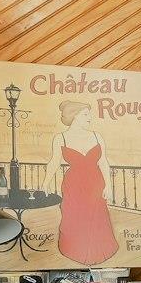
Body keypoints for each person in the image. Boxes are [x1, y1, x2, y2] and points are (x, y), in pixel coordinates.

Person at [48, 101, 118, 264]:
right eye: (85, 114)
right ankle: (75, 250)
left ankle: (98, 250)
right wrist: (46, 182)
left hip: (95, 183)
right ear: (75, 116)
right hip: (73, 184)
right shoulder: (61, 138)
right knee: (75, 215)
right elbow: (54, 162)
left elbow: (104, 162)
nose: (90, 117)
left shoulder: (96, 136)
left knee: (96, 215)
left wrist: (108, 184)